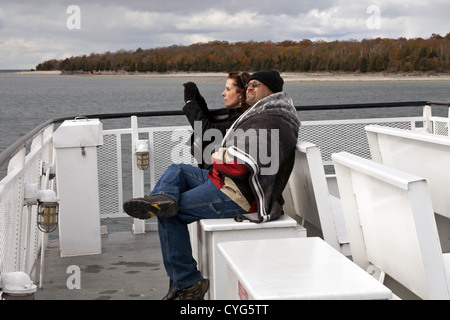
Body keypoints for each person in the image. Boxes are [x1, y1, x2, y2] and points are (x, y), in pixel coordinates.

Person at [123, 70, 301, 300]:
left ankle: (188, 283)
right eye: (249, 85)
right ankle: (161, 197)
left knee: (171, 214)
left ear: (272, 91)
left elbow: (247, 160)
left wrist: (222, 155)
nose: (250, 88)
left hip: (238, 194)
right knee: (177, 169)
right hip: (223, 180)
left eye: (255, 84)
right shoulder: (265, 113)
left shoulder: (273, 118)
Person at [183, 71, 251, 169]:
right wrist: (197, 98)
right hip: (215, 173)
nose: (223, 93)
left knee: (177, 171)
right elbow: (209, 120)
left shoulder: (241, 120)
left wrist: (190, 102)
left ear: (241, 94)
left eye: (228, 89)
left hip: (220, 178)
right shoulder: (234, 115)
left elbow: (207, 130)